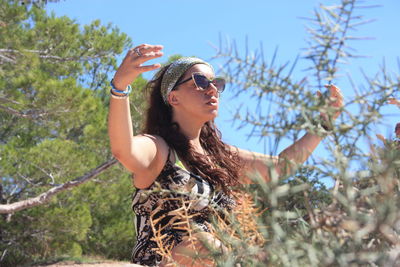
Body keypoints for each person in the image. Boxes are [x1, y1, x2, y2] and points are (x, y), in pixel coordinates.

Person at [108, 44, 343, 266]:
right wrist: (120, 89)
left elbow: (281, 167)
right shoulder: (159, 148)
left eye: (216, 83)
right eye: (200, 81)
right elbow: (124, 150)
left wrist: (323, 126)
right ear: (173, 97)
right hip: (167, 260)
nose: (212, 90)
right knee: (203, 244)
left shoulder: (219, 156)